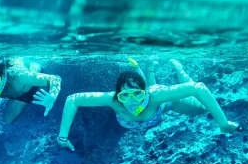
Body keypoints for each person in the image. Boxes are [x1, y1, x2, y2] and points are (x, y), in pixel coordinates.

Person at [56, 59, 238, 151]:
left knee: (200, 108)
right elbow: (73, 99)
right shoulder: (114, 101)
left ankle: (180, 71)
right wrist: (62, 137)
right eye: (125, 95)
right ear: (118, 96)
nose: (132, 101)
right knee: (148, 88)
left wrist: (223, 123)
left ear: (144, 94)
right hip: (151, 99)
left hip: (168, 104)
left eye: (137, 94)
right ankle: (150, 67)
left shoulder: (155, 95)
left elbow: (198, 88)